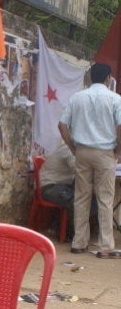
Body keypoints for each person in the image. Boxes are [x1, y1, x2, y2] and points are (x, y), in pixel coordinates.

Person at [59, 62, 121, 259]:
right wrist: (118, 149)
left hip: (82, 151)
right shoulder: (115, 99)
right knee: (105, 198)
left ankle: (79, 242)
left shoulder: (77, 98)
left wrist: (73, 148)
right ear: (108, 78)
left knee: (82, 196)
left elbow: (62, 125)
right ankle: (105, 246)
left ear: (89, 77)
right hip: (105, 153)